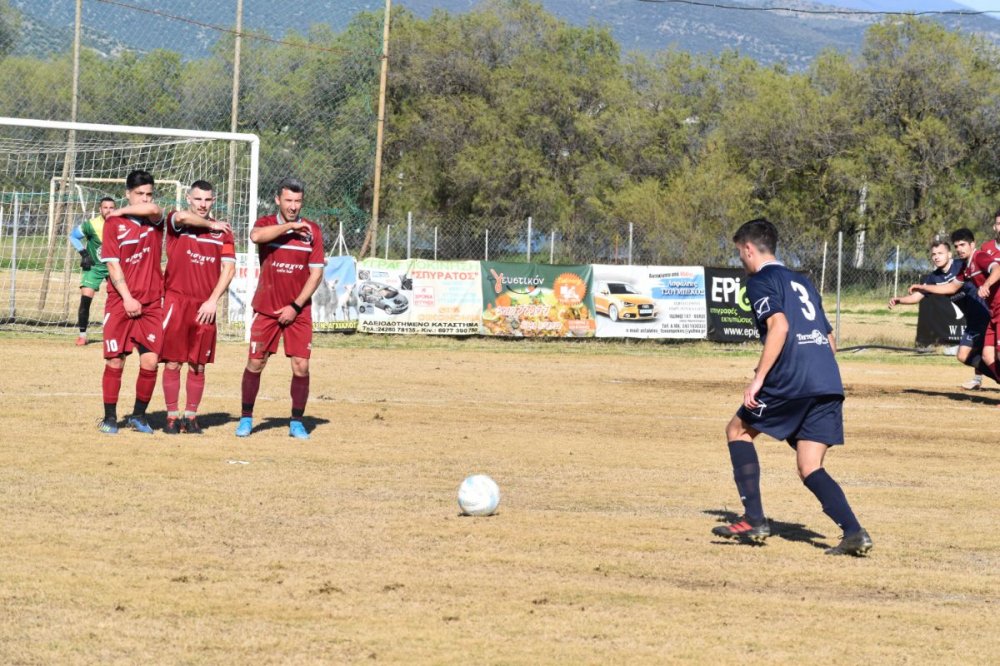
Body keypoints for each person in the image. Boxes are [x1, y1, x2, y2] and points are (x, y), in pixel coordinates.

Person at [713, 218, 873, 556]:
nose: (741, 261)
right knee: (809, 465)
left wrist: (759, 378)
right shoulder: (803, 281)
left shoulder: (760, 281)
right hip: (828, 380)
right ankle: (854, 532)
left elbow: (780, 326)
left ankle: (754, 519)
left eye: (740, 254)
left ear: (748, 249)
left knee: (737, 430)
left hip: (792, 378)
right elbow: (829, 340)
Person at [124, 180, 236, 434]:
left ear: (214, 200)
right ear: (188, 198)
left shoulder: (224, 232)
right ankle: (172, 417)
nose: (202, 204)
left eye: (207, 200)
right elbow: (184, 217)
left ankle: (191, 417)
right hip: (176, 300)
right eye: (198, 199)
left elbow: (228, 270)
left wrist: (212, 301)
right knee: (173, 362)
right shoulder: (177, 221)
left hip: (204, 305)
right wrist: (210, 224)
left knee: (198, 364)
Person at [236, 177, 325, 440]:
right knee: (255, 362)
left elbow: (316, 274)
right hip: (267, 307)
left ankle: (296, 422)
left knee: (301, 366)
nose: (293, 206)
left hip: (298, 311)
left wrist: (295, 306)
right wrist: (288, 228)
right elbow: (255, 237)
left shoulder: (313, 231)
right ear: (278, 200)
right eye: (288, 200)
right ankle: (246, 418)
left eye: (298, 201)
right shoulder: (266, 224)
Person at [97, 170, 164, 435]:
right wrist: (127, 298)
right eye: (139, 194)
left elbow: (156, 209)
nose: (145, 199)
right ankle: (110, 418)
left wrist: (121, 210)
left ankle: (139, 416)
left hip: (150, 304)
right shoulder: (113, 225)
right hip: (120, 302)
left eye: (148, 194)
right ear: (128, 193)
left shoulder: (155, 221)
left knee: (150, 361)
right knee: (116, 361)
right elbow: (113, 265)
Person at [889, 239, 992, 389]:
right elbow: (917, 296)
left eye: (940, 253)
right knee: (963, 355)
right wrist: (900, 300)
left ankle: (982, 378)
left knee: (988, 352)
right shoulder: (934, 278)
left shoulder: (962, 265)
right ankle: (993, 375)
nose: (936, 257)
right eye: (933, 255)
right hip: (973, 321)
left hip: (987, 314)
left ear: (949, 254)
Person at [910, 228, 1000, 386]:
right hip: (994, 313)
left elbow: (998, 269)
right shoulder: (966, 268)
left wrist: (986, 284)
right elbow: (951, 288)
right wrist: (923, 287)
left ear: (973, 245)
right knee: (987, 356)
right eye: (957, 246)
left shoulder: (979, 257)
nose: (959, 249)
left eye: (963, 245)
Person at [69, 197, 116, 346]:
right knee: (86, 299)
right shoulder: (92, 225)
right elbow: (73, 236)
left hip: (113, 267)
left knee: (118, 301)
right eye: (105, 207)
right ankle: (82, 335)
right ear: (100, 209)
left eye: (111, 207)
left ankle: (118, 334)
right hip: (94, 267)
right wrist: (84, 254)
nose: (108, 210)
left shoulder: (121, 224)